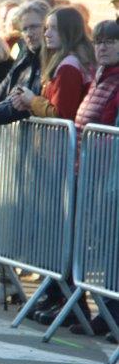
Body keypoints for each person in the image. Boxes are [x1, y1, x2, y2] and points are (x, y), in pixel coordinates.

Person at [70, 20, 119, 339]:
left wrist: (92, 150)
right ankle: (106, 312)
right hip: (90, 172)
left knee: (110, 248)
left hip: (107, 174)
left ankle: (114, 315)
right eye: (98, 41)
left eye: (110, 42)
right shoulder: (101, 77)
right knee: (98, 247)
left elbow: (109, 129)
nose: (102, 47)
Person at [0, 0, 50, 134]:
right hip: (15, 143)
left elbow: (25, 102)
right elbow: (0, 93)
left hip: (41, 140)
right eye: (25, 29)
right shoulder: (24, 57)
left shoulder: (49, 60)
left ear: (46, 26)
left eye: (34, 27)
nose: (29, 34)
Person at [11, 6, 93, 121]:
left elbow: (62, 114)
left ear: (69, 30)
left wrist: (33, 101)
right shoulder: (66, 61)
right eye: (46, 28)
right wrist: (27, 105)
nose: (47, 34)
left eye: (54, 28)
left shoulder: (69, 66)